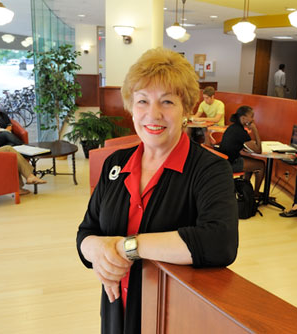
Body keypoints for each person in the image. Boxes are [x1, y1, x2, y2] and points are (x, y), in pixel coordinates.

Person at [76, 47, 238, 334]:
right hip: (116, 307)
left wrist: (125, 247)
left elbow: (220, 242)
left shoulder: (210, 169)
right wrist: (97, 247)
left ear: (187, 108)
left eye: (166, 102)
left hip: (170, 315)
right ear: (131, 106)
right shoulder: (115, 163)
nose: (153, 114)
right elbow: (87, 231)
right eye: (142, 101)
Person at [218, 106, 265, 197]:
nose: (253, 119)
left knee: (251, 162)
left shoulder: (233, 127)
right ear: (243, 118)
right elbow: (258, 150)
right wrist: (255, 130)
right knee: (261, 166)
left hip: (224, 161)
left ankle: (245, 190)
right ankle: (256, 193)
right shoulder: (240, 132)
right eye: (251, 116)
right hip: (230, 164)